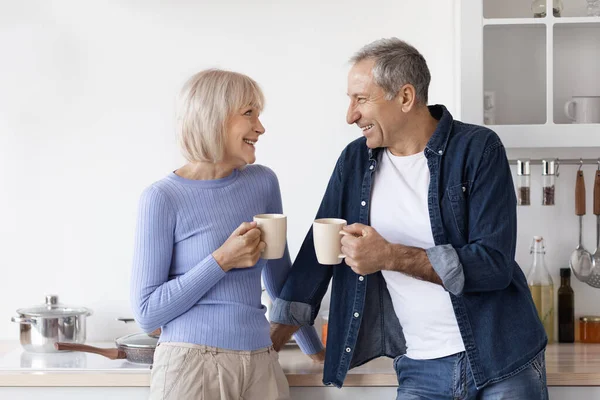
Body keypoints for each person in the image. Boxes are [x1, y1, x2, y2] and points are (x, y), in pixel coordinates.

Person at [269, 38, 548, 399]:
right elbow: (314, 260)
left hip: (502, 361)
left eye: (361, 99)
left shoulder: (478, 149)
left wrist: (389, 257)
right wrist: (266, 347)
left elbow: (493, 264)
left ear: (405, 97)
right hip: (420, 367)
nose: (350, 115)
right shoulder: (354, 162)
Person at [130, 69, 324, 400]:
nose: (260, 127)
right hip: (191, 367)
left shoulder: (263, 182)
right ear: (214, 119)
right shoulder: (162, 198)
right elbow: (148, 312)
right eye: (249, 113)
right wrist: (222, 260)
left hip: (261, 362)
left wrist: (316, 353)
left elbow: (280, 282)